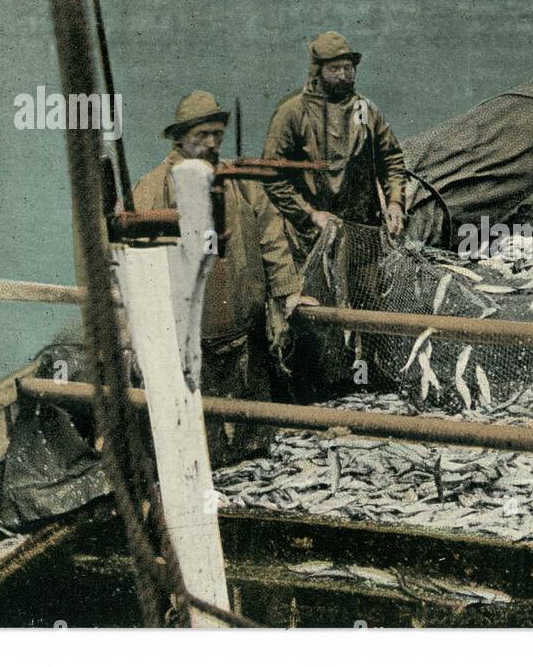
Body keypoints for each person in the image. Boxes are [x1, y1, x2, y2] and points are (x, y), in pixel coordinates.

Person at [134, 90, 310, 466]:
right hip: (190, 340)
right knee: (201, 440)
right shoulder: (152, 188)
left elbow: (271, 238)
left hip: (243, 333)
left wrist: (288, 293)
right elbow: (135, 262)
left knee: (253, 437)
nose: (212, 142)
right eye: (202, 135)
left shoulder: (241, 182)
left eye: (217, 134)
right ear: (180, 138)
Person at [262, 31, 408, 252]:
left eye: (348, 68)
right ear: (317, 71)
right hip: (309, 235)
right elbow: (273, 174)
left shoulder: (365, 110)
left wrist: (396, 202)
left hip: (361, 234)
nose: (343, 75)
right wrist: (310, 214)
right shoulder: (292, 112)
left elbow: (391, 159)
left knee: (365, 285)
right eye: (334, 69)